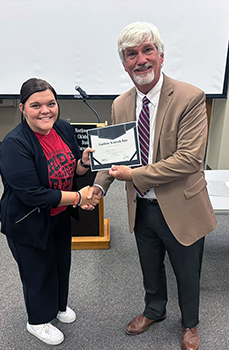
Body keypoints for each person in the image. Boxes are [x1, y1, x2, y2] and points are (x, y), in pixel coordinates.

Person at [88, 22, 217, 350]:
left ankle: (190, 324)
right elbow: (112, 157)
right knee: (149, 265)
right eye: (132, 54)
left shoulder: (190, 97)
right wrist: (98, 189)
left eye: (147, 50)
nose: (140, 60)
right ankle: (154, 310)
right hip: (142, 206)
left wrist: (135, 176)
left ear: (161, 56)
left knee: (187, 272)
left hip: (182, 206)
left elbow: (190, 160)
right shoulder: (120, 104)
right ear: (124, 63)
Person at [0, 78, 100, 345]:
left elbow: (72, 170)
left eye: (51, 103)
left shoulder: (63, 128)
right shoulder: (15, 144)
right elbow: (34, 195)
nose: (46, 111)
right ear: (22, 109)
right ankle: (37, 320)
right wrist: (78, 197)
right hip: (28, 221)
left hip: (59, 216)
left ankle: (57, 306)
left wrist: (84, 163)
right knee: (37, 271)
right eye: (36, 105)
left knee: (60, 263)